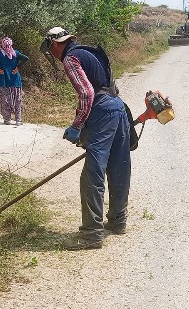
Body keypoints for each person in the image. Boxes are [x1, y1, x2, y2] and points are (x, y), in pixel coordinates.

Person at [42, 25, 131, 250]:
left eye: (49, 48)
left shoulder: (70, 58)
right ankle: (118, 221)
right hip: (118, 107)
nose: (51, 53)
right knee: (119, 166)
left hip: (103, 112)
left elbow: (86, 92)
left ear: (54, 43)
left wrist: (77, 125)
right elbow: (111, 86)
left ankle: (92, 234)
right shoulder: (90, 52)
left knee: (93, 174)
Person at [0, 37, 29, 125]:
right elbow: (25, 58)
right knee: (17, 100)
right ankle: (18, 120)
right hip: (15, 80)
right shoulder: (15, 53)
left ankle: (7, 119)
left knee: (5, 100)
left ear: (2, 45)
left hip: (3, 80)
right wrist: (18, 67)